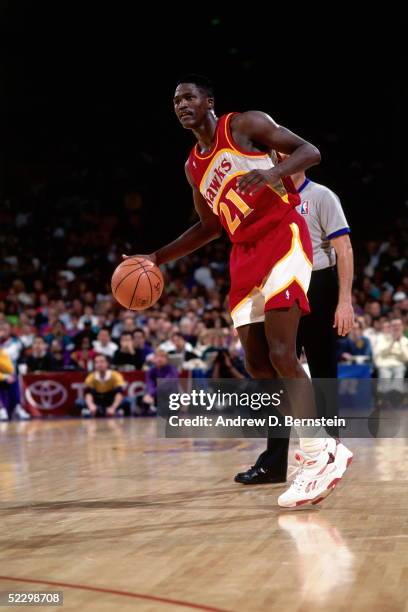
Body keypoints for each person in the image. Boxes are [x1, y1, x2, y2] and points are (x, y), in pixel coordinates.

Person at [124, 74, 352, 508]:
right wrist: (156, 257)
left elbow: (310, 151)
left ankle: (319, 453)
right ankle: (316, 448)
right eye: (175, 100)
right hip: (243, 254)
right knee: (259, 363)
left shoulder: (244, 125)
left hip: (283, 236)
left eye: (189, 96)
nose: (181, 104)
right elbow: (210, 227)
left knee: (284, 352)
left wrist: (274, 173)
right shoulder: (194, 165)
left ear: (209, 100)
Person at [236, 170, 355, 483]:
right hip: (283, 282)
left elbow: (344, 248)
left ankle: (330, 454)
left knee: (322, 372)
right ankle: (273, 464)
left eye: (285, 151)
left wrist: (344, 301)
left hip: (318, 283)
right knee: (277, 372)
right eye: (277, 152)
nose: (279, 156)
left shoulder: (322, 196)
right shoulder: (270, 197)